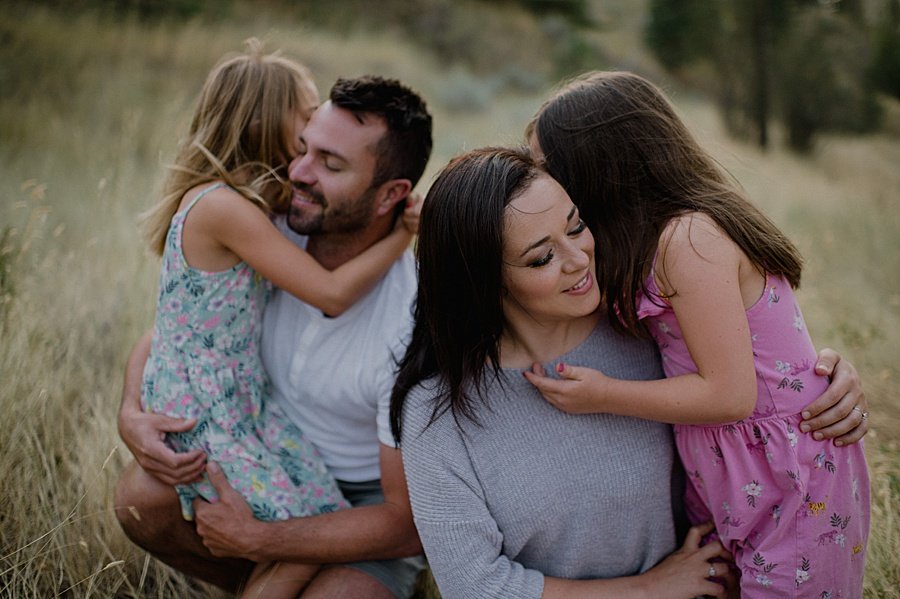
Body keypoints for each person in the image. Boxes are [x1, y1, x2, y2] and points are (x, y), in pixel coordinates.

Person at [389, 147, 870, 599]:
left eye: (576, 227)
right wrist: (646, 590)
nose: (579, 260)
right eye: (541, 257)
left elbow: (753, 376)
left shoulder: (643, 330)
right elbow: (473, 586)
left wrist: (826, 381)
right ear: (483, 281)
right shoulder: (438, 412)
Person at [523, 71, 869, 597]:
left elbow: (731, 394)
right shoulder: (631, 249)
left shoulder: (688, 239)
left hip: (790, 474)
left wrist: (601, 395)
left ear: (599, 168)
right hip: (731, 468)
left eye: (549, 169)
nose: (540, 184)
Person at [115, 73, 433, 599]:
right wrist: (130, 412)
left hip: (364, 506)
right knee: (139, 496)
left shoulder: (414, 324)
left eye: (330, 165)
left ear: (392, 196)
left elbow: (405, 520)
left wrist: (264, 537)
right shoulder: (272, 224)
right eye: (302, 148)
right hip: (263, 453)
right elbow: (181, 329)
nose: (298, 173)